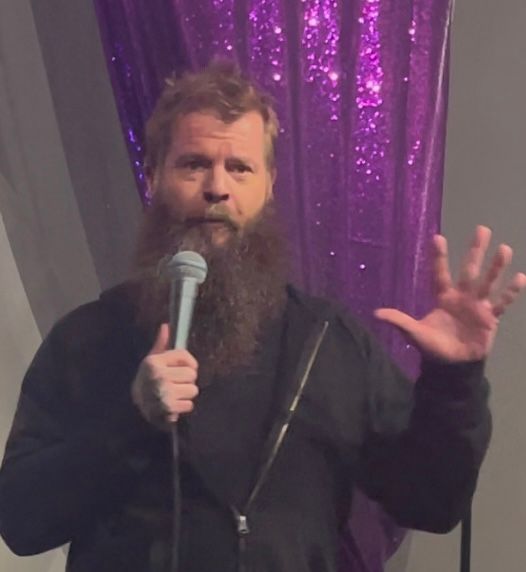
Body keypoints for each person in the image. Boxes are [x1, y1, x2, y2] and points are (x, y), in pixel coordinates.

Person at [0, 62, 524, 572]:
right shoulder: (89, 338)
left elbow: (432, 502)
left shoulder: (328, 341)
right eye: (194, 164)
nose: (217, 187)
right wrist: (132, 420)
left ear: (269, 184)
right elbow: (21, 520)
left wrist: (455, 382)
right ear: (154, 176)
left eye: (240, 168)